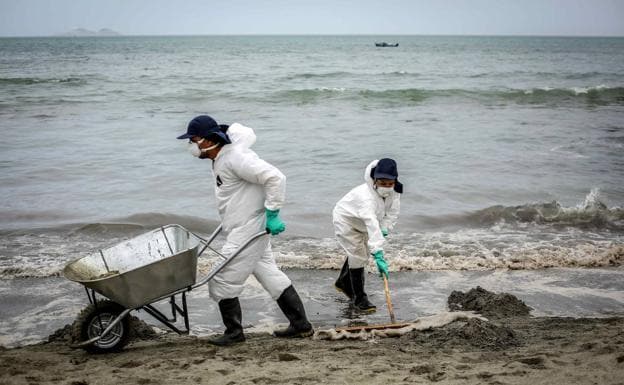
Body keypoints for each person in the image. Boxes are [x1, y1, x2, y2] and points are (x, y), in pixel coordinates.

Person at [177, 115, 313, 346]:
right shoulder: (220, 158)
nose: (191, 144)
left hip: (249, 228)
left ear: (209, 140)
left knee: (221, 277)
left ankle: (234, 333)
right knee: (270, 274)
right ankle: (301, 325)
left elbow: (275, 177)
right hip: (242, 225)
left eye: (194, 139)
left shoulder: (235, 158)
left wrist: (272, 213)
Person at [332, 158, 402, 312]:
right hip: (347, 221)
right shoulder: (366, 197)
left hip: (363, 223)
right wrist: (378, 252)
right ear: (374, 180)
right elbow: (371, 222)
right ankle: (359, 298)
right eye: (382, 183)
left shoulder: (394, 192)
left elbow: (392, 213)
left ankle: (343, 282)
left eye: (390, 183)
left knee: (359, 252)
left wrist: (384, 229)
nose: (386, 187)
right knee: (359, 255)